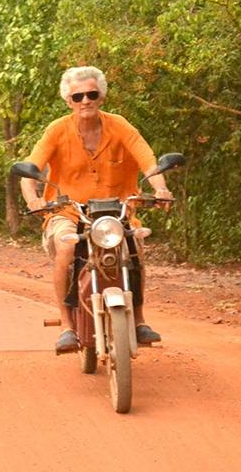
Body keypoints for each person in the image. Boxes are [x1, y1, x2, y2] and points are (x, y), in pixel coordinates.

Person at [19, 66, 172, 353]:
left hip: (118, 212)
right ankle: (67, 326)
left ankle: (138, 320)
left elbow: (149, 163)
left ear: (101, 97)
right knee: (66, 248)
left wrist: (161, 189)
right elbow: (30, 172)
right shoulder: (57, 130)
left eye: (91, 94)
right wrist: (33, 200)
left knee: (135, 245)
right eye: (78, 96)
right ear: (68, 101)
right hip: (68, 212)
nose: (85, 101)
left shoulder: (121, 126)